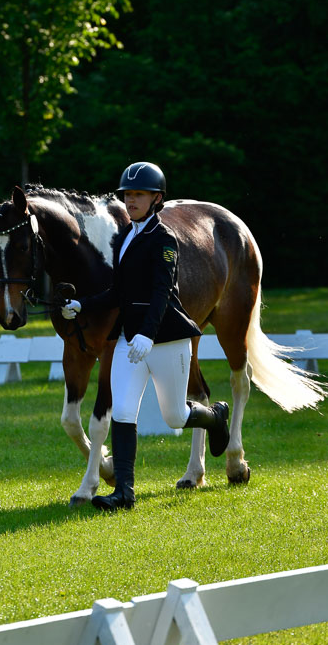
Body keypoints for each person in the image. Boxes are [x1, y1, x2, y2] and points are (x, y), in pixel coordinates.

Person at [61, 161, 230, 511]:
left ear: (156, 199)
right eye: (127, 194)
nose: (131, 200)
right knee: (123, 410)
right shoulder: (123, 238)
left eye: (138, 195)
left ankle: (214, 417)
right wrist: (82, 304)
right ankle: (124, 492)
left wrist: (148, 335)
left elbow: (161, 291)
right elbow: (118, 293)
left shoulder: (164, 239)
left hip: (166, 338)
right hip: (129, 340)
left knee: (174, 416)